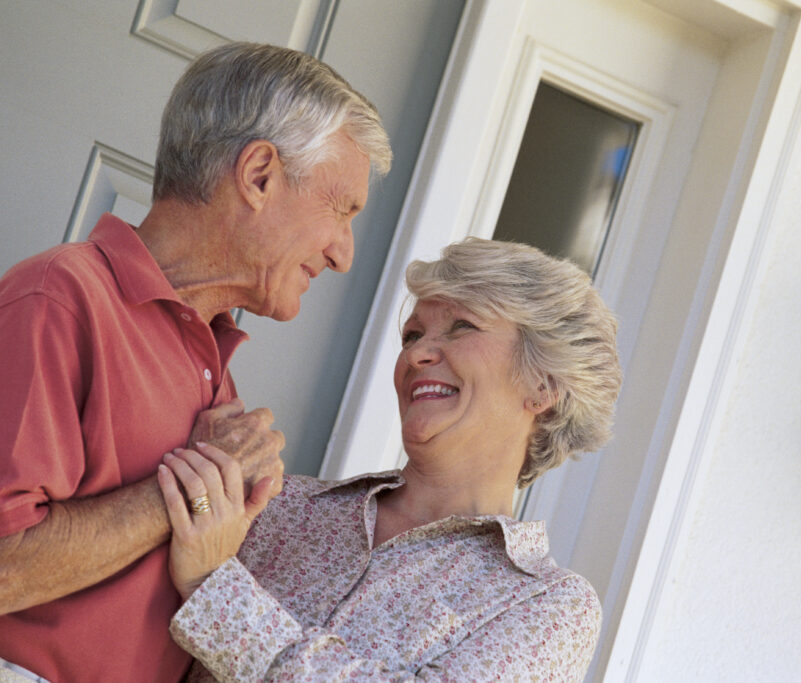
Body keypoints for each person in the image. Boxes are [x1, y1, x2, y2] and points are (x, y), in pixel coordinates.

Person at [0, 42, 391, 682]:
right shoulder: (60, 298)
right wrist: (193, 488)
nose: (343, 254)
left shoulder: (214, 367)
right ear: (260, 173)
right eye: (341, 209)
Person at [157, 237, 622, 681]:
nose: (416, 353)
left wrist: (212, 588)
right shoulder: (279, 502)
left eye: (462, 327)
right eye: (412, 335)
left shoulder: (546, 605)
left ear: (544, 385)